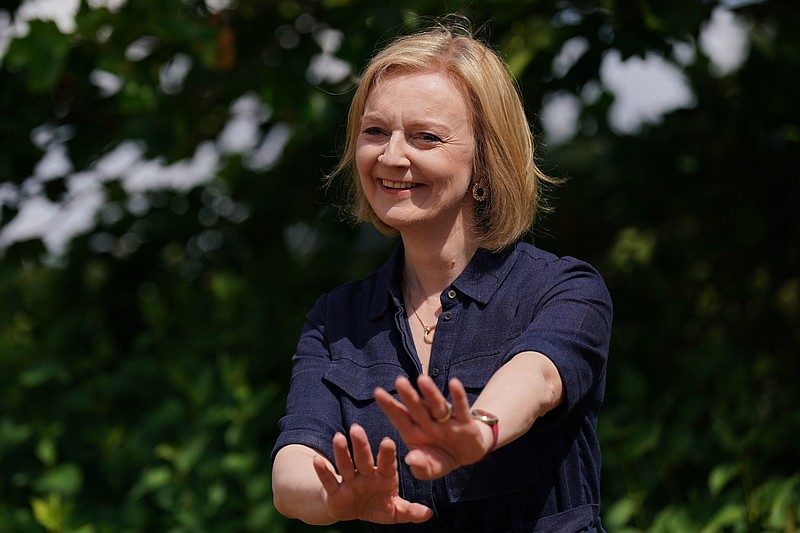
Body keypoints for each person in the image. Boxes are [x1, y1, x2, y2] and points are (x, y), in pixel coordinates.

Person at [271, 17, 612, 532]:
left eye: (425, 137)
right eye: (375, 132)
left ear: (484, 160)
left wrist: (480, 427)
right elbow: (293, 463)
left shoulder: (562, 290)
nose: (391, 156)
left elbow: (538, 377)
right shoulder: (335, 319)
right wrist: (333, 497)